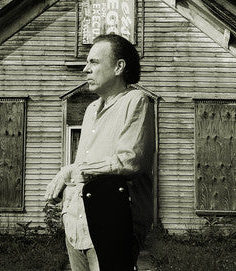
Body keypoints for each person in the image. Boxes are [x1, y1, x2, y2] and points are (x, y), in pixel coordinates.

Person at [45, 34, 155, 271]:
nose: (86, 69)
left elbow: (131, 161)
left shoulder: (136, 101)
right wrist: (68, 190)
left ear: (119, 67)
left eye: (94, 62)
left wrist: (73, 172)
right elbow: (83, 164)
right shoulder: (91, 109)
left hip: (111, 225)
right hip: (76, 225)